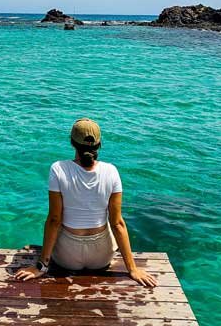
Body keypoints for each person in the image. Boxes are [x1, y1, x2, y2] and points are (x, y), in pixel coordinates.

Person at [15, 118, 157, 287]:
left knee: (59, 224)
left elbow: (54, 220)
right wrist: (132, 269)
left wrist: (41, 266)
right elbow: (117, 223)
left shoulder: (58, 168)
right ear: (99, 144)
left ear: (72, 143)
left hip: (67, 257)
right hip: (101, 258)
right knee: (108, 227)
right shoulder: (111, 171)